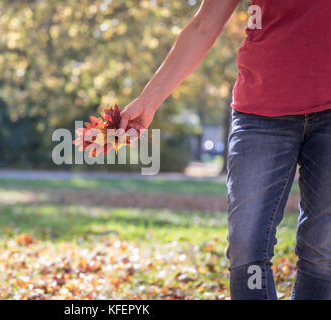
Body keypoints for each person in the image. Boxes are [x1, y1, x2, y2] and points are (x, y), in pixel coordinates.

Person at [119, 0, 331, 300]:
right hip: (259, 111)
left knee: (323, 248)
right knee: (246, 245)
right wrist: (148, 100)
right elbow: (203, 25)